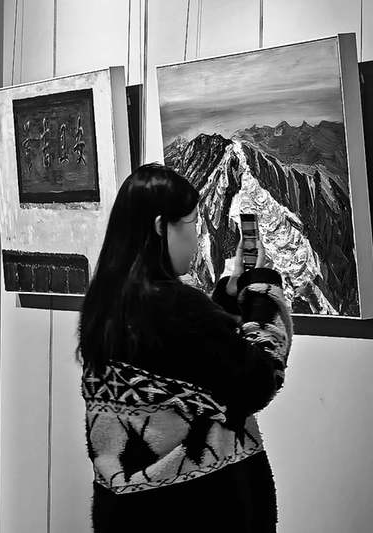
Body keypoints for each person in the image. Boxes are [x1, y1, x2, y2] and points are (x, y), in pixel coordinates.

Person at [76, 163, 293, 532]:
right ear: (162, 227)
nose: (196, 236)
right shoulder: (176, 308)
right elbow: (259, 378)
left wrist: (225, 298)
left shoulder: (105, 304)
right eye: (192, 223)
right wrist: (260, 290)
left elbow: (191, 365)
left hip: (126, 512)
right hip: (198, 509)